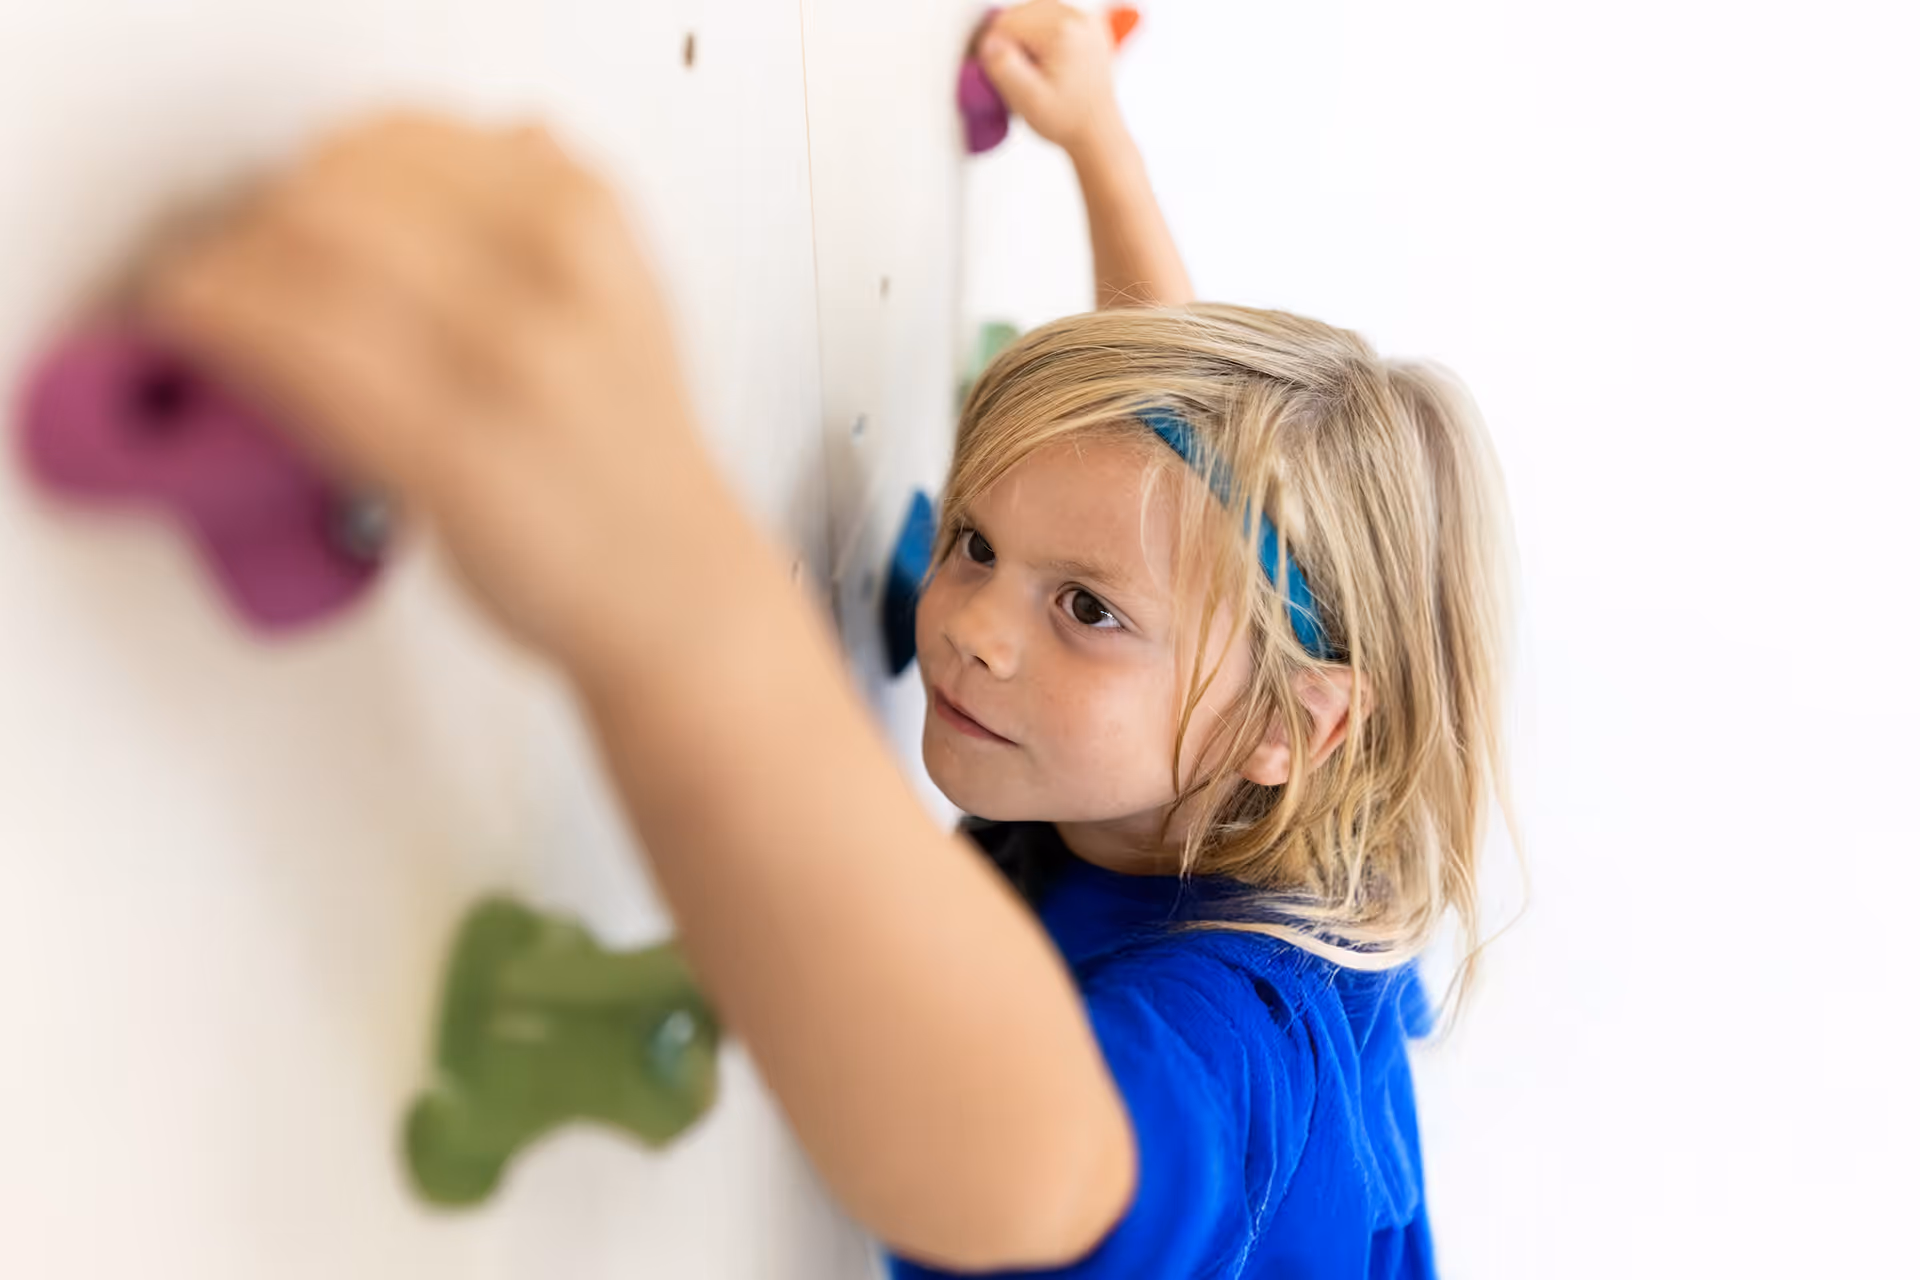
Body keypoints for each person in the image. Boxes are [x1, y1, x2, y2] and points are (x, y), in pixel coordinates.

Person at [133, 2, 1518, 1274]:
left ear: (1288, 726)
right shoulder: (1262, 764)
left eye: (1084, 611)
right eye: (977, 542)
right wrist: (1100, 148)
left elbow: (1020, 1169)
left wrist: (669, 598)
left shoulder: (1248, 1034)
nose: (974, 628)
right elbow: (1160, 484)